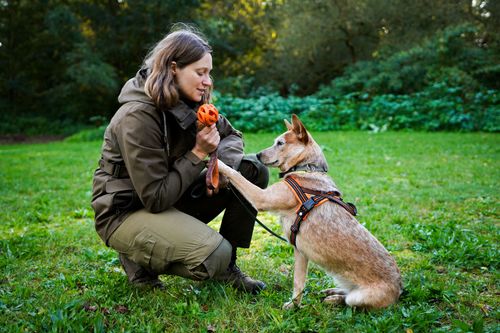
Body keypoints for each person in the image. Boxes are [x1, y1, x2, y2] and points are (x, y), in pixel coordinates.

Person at [91, 25, 269, 294]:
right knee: (214, 255)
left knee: (252, 170)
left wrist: (220, 171)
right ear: (173, 68)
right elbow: (154, 197)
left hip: (172, 195)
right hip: (128, 211)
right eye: (201, 72)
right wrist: (198, 153)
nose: (208, 81)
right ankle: (139, 259)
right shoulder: (137, 116)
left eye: (209, 73)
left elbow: (231, 136)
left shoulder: (192, 102)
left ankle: (228, 268)